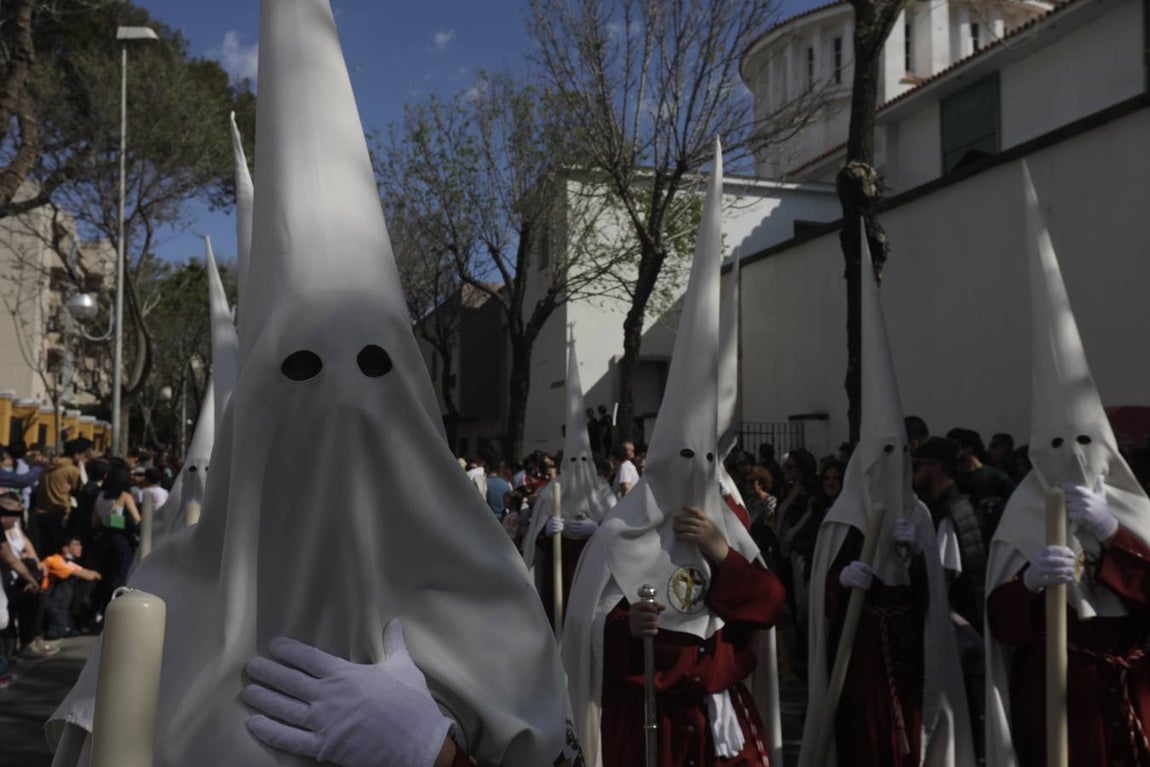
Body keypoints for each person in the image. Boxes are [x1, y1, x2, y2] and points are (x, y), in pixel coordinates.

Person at [49, 5, 574, 763]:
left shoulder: (496, 607)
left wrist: (437, 754)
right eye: (298, 369)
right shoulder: (162, 606)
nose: (343, 400)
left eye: (375, 365)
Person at [986, 165, 1150, 767]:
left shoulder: (1136, 512)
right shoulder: (1022, 513)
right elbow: (998, 623)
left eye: (1085, 441)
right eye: (1058, 445)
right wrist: (1026, 587)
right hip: (1052, 702)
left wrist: (1115, 537)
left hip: (1131, 694)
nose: (1074, 457)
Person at [800, 234, 971, 767]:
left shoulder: (918, 514)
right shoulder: (842, 519)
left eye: (902, 455)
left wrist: (919, 557)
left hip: (908, 653)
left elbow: (934, 599)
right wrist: (838, 583)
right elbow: (821, 602)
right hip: (861, 662)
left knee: (909, 741)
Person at [0, 491, 57, 657]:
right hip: (7, 582)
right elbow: (12, 560)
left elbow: (23, 543)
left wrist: (36, 562)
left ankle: (28, 641)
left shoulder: (13, 526)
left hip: (13, 579)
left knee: (35, 597)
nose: (17, 518)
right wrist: (31, 579)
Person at [90, 465, 141, 604]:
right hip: (122, 539)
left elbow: (94, 523)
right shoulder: (124, 496)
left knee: (106, 572)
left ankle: (102, 605)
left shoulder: (100, 497)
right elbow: (137, 519)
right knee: (122, 572)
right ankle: (118, 602)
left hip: (105, 538)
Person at [29, 438, 88, 555]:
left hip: (43, 511)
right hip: (61, 512)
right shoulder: (72, 470)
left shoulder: (49, 466)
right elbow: (79, 491)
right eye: (83, 455)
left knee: (44, 548)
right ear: (76, 455)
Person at [40, 536, 101, 639]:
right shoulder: (54, 560)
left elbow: (96, 575)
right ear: (65, 548)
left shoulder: (67, 562)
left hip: (50, 595)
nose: (80, 547)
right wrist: (84, 573)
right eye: (76, 544)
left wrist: (86, 573)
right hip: (42, 594)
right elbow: (88, 575)